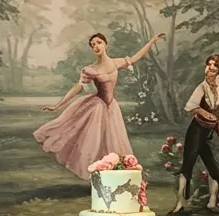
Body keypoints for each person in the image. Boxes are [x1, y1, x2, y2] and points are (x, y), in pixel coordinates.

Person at [34, 30, 165, 181]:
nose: (96, 46)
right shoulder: (90, 69)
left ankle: (115, 176)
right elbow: (78, 87)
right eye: (92, 45)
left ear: (105, 44)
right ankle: (98, 176)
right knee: (94, 141)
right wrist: (57, 106)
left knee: (114, 141)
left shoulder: (116, 62)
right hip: (97, 106)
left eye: (98, 43)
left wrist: (152, 41)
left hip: (112, 107)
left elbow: (136, 57)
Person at [172, 54, 219, 212]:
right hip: (197, 130)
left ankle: (212, 201)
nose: (211, 67)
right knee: (188, 165)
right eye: (209, 64)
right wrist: (205, 113)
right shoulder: (201, 87)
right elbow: (191, 106)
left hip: (211, 133)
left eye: (215, 65)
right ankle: (180, 203)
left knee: (213, 167)